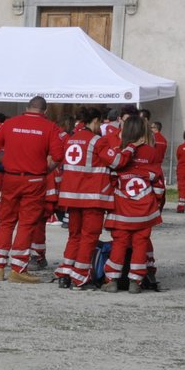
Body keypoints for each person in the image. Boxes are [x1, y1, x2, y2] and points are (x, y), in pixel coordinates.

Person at [0, 96, 56, 283]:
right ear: (44, 112)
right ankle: (18, 268)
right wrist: (44, 170)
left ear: (27, 107)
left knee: (6, 221)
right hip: (35, 180)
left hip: (11, 178)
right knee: (27, 223)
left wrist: (7, 161)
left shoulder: (10, 123)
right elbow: (59, 155)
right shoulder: (50, 127)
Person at [52, 107, 117, 289]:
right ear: (95, 120)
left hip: (71, 197)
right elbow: (116, 162)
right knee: (89, 236)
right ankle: (80, 276)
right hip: (92, 197)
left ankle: (66, 271)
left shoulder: (71, 138)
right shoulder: (98, 141)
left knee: (74, 236)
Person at [103, 115, 163, 293]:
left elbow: (110, 179)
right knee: (141, 243)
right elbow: (158, 182)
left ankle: (112, 280)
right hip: (144, 206)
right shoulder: (152, 152)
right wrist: (156, 203)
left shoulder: (119, 151)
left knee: (119, 243)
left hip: (122, 206)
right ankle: (135, 282)